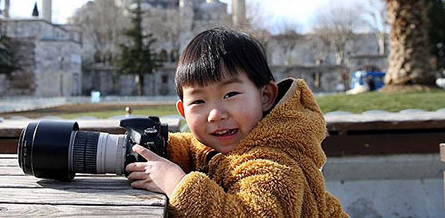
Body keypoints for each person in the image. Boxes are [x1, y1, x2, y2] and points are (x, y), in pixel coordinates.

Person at [125, 27, 347, 217]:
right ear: (183, 110)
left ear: (265, 96)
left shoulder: (277, 166)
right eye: (199, 101)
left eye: (230, 95)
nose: (215, 114)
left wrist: (176, 185)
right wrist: (155, 145)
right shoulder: (229, 144)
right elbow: (195, 149)